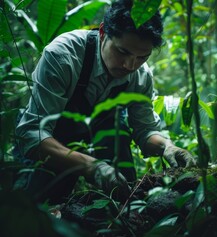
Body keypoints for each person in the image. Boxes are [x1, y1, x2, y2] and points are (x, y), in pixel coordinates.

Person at [14, 0, 195, 203]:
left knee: (116, 134)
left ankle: (125, 210)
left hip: (95, 142)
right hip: (51, 144)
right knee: (35, 208)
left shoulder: (141, 76)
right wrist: (92, 166)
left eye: (142, 57)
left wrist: (167, 147)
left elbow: (144, 130)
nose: (130, 65)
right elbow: (32, 134)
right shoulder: (63, 56)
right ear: (102, 33)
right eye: (122, 52)